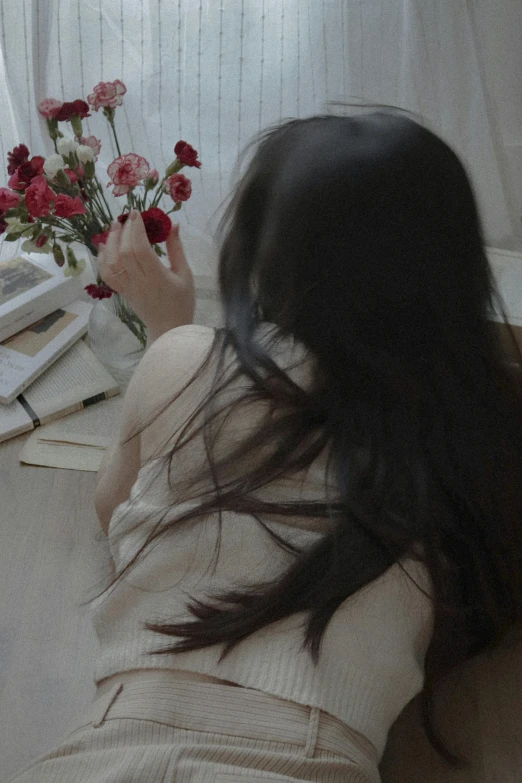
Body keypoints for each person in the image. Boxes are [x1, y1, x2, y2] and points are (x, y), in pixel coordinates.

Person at [10, 111, 522, 783]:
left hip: (105, 747)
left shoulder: (185, 363)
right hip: (307, 757)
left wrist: (169, 331)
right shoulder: (482, 416)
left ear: (263, 256)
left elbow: (119, 512)